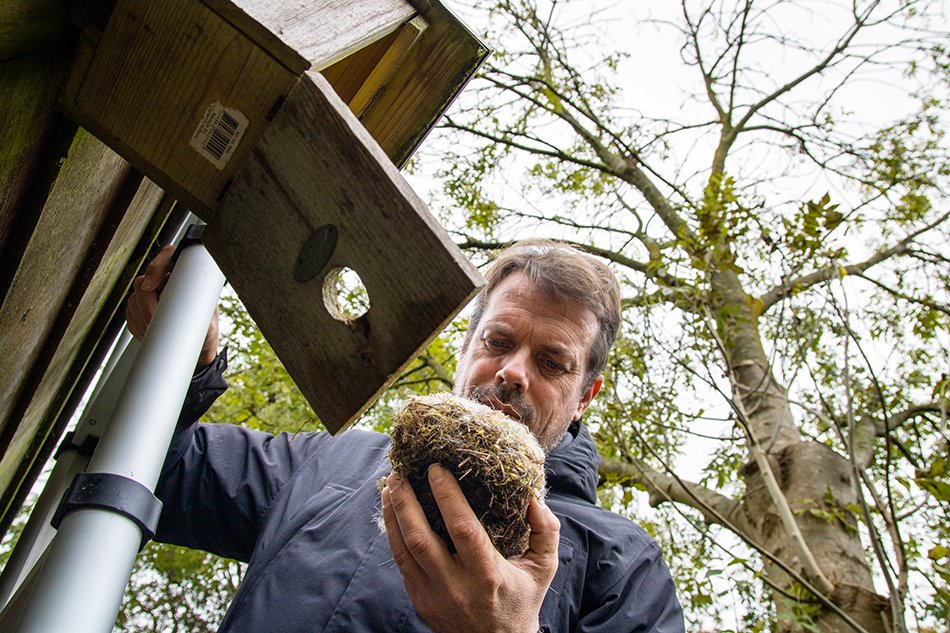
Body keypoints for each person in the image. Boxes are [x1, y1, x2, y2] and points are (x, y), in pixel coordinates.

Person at [127, 239, 685, 632]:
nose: (513, 372)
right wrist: (183, 363)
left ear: (585, 395)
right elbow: (161, 472)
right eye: (497, 341)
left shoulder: (621, 566)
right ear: (465, 349)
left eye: (552, 362)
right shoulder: (336, 462)